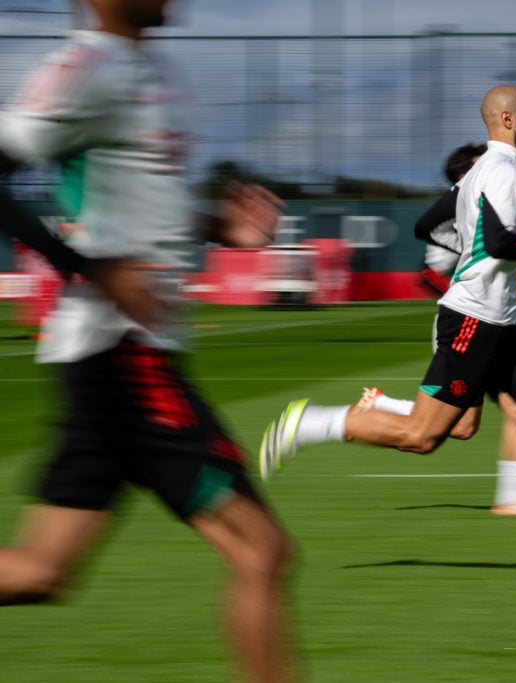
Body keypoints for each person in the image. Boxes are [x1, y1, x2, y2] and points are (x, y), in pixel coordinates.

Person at [0, 2, 297, 682]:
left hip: (125, 354)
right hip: (122, 353)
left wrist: (216, 222)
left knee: (44, 572)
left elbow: (145, 209)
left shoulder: (154, 71)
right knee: (262, 551)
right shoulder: (83, 69)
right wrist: (87, 268)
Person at [260, 85, 516, 575]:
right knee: (423, 437)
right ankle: (311, 423)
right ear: (508, 120)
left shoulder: (482, 174)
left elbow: (428, 225)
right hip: (473, 322)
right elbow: (497, 243)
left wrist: (468, 249)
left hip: (502, 323)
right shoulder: (500, 173)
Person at [366, 142, 516, 517]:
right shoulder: (462, 208)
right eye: (480, 167)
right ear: (464, 176)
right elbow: (428, 272)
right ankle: (367, 410)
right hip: (468, 321)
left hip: (491, 322)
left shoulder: (485, 202)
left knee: (473, 424)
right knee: (454, 427)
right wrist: (467, 286)